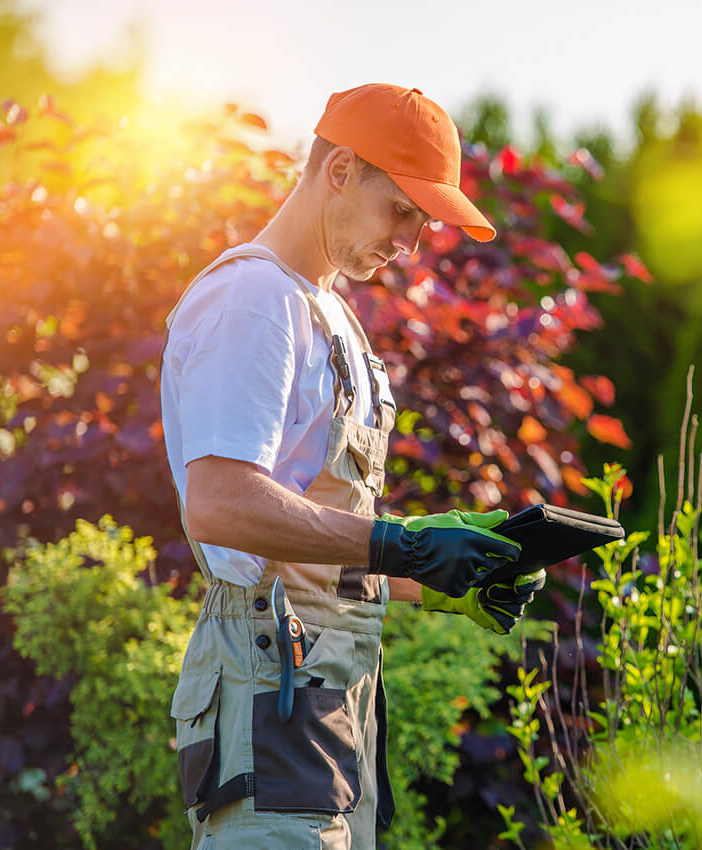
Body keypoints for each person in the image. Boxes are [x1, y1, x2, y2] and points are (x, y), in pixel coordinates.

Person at [159, 83, 546, 850]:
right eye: (401, 209)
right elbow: (220, 504)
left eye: (423, 221)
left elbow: (321, 549)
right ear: (339, 170)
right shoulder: (254, 299)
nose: (410, 241)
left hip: (331, 700)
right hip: (270, 689)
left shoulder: (328, 312)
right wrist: (400, 541)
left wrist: (439, 576)